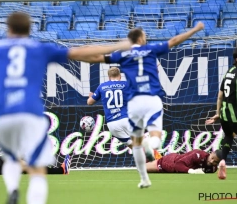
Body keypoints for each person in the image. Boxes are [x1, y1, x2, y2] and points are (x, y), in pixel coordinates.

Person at [0, 12, 131, 204]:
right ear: (30, 29)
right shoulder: (39, 48)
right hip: (30, 111)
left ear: (9, 29)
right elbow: (80, 52)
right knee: (37, 168)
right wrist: (118, 46)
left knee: (10, 158)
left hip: (2, 113)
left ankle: (13, 190)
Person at [80, 22, 205, 188]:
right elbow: (174, 40)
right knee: (151, 138)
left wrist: (76, 52)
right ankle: (156, 155)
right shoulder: (149, 53)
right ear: (141, 38)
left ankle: (146, 175)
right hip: (142, 105)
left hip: (113, 123)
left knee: (135, 146)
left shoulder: (116, 66)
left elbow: (93, 62)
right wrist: (195, 29)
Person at [205, 48, 237, 179]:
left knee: (229, 137)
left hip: (224, 114)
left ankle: (222, 161)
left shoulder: (228, 72)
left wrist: (217, 113)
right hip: (235, 113)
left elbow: (220, 95)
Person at [146, 149, 222, 174]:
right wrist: (191, 171)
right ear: (211, 153)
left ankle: (157, 156)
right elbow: (178, 164)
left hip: (176, 164)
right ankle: (150, 152)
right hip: (170, 162)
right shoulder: (198, 155)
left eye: (215, 162)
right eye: (212, 158)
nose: (212, 162)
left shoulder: (213, 169)